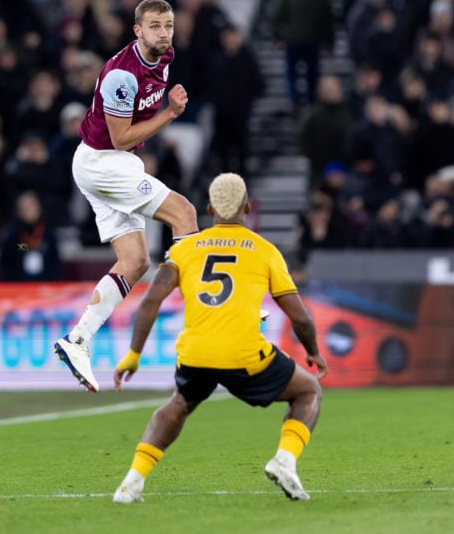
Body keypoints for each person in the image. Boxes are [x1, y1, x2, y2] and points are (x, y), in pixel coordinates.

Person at [111, 173, 327, 503]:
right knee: (309, 390)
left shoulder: (185, 250)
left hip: (195, 353)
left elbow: (150, 301)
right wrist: (313, 352)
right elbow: (299, 316)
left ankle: (131, 482)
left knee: (179, 405)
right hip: (243, 354)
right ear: (248, 208)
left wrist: (133, 354)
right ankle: (284, 461)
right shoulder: (264, 250)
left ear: (210, 209)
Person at [53, 0, 198, 393]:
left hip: (113, 162)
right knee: (184, 214)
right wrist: (168, 114)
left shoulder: (165, 56)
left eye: (168, 25)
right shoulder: (123, 74)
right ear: (137, 30)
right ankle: (210, 312)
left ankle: (77, 339)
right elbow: (120, 138)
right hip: (104, 161)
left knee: (134, 261)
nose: (164, 33)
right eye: (154, 26)